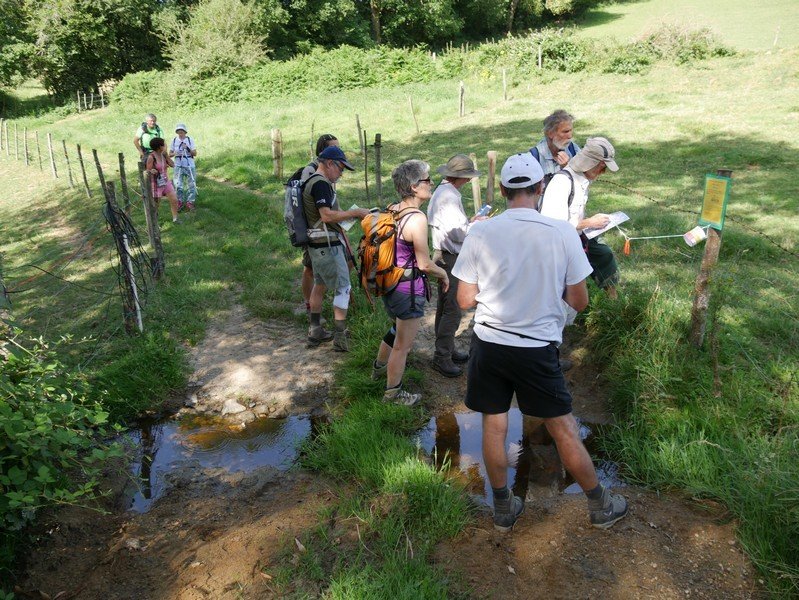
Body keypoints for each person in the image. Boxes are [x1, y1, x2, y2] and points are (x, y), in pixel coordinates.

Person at [452, 152, 628, 532]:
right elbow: (579, 300)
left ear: (501, 190)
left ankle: (503, 507)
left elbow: (465, 300)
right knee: (562, 426)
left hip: (490, 343)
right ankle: (600, 505)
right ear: (540, 188)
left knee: (494, 427)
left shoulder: (481, 231)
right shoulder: (562, 233)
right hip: (536, 348)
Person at [372, 160, 449, 406]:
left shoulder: (393, 209)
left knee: (396, 331)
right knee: (402, 347)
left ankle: (378, 370)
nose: (432, 184)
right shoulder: (416, 219)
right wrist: (444, 274)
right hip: (408, 290)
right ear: (415, 187)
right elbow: (425, 264)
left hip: (389, 284)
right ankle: (393, 394)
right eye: (427, 180)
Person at [303, 145, 370, 351]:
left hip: (318, 245)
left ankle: (315, 331)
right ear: (329, 164)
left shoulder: (314, 182)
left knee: (320, 284)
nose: (341, 174)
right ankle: (340, 337)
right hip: (327, 246)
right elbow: (326, 216)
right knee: (344, 287)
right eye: (341, 169)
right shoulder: (321, 183)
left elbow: (330, 215)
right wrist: (356, 213)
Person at [539, 136, 620, 299]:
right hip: (558, 246)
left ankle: (613, 300)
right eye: (601, 167)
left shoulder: (582, 179)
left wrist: (589, 223)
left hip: (576, 236)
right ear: (591, 163)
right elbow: (554, 227)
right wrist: (589, 222)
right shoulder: (562, 182)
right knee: (568, 283)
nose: (602, 172)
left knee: (604, 254)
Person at [426, 154, 483, 377]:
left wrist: (469, 222)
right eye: (467, 177)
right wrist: (476, 225)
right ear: (462, 177)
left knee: (445, 305)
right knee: (453, 308)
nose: (469, 181)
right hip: (451, 256)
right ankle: (441, 357)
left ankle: (446, 349)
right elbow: (458, 233)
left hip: (443, 253)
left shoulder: (443, 191)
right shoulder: (449, 196)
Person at [296, 134, 340, 318]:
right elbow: (307, 202)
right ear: (323, 152)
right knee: (310, 268)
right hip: (315, 231)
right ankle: (310, 304)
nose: (339, 150)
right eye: (334, 147)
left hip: (327, 229)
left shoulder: (330, 170)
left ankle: (316, 304)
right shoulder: (312, 171)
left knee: (320, 272)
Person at [529, 109, 580, 190]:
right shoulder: (533, 158)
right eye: (565, 132)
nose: (570, 136)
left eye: (571, 130)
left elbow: (583, 183)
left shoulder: (574, 149)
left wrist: (568, 168)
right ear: (550, 134)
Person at [145, 137, 180, 224]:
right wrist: (151, 171)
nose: (165, 146)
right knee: (156, 204)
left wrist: (167, 156)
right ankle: (154, 222)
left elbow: (172, 164)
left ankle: (175, 219)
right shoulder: (151, 157)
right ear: (159, 146)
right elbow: (147, 171)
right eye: (163, 144)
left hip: (166, 181)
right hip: (156, 183)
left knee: (174, 199)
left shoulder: (163, 155)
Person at [169, 123, 197, 211]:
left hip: (189, 164)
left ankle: (190, 202)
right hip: (178, 165)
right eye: (179, 132)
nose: (180, 134)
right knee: (178, 184)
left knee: (191, 184)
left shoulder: (190, 139)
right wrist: (175, 153)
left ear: (185, 132)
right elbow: (169, 154)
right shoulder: (174, 140)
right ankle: (179, 202)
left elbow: (194, 153)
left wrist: (187, 148)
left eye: (182, 132)